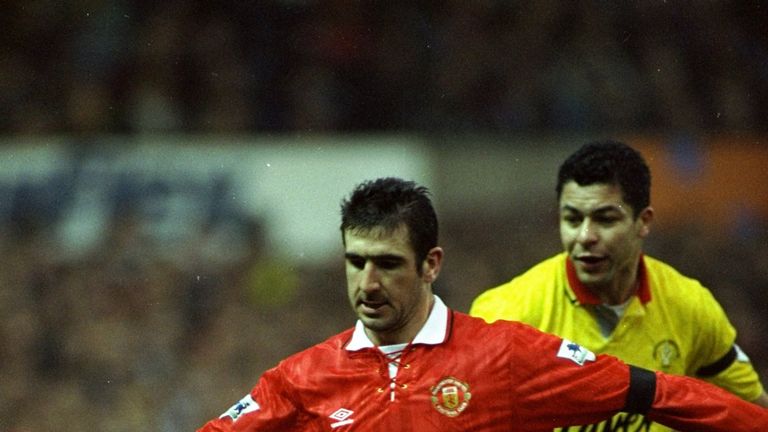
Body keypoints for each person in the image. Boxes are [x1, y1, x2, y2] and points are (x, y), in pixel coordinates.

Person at [198, 177, 768, 431]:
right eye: (356, 261)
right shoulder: (301, 379)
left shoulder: (503, 355)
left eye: (389, 264)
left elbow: (655, 393)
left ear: (431, 265)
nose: (367, 283)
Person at [470, 141, 768, 431]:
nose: (585, 236)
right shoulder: (505, 315)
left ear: (644, 221)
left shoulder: (690, 306)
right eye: (572, 219)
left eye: (605, 219)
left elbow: (754, 410)